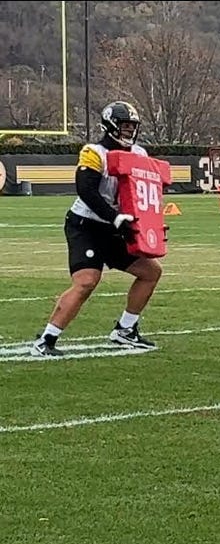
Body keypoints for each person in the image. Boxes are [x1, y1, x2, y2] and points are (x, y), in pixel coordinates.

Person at [30, 101, 163, 356]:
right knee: (86, 281)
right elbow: (86, 190)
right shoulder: (94, 152)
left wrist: (147, 223)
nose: (129, 131)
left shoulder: (140, 154)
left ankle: (125, 329)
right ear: (111, 125)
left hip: (116, 226)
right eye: (124, 126)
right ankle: (46, 340)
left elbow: (145, 193)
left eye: (132, 127)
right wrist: (115, 217)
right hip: (87, 224)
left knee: (150, 272)